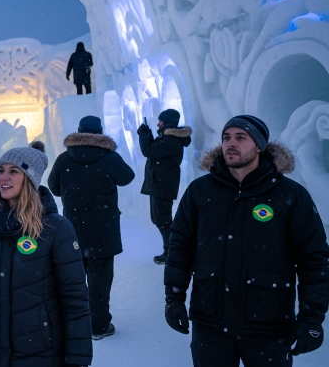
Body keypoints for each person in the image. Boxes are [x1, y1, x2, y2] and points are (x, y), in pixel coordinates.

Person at [164, 115, 329, 366]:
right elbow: (180, 246)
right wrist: (174, 297)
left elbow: (314, 259)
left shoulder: (289, 195)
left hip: (268, 324)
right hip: (210, 322)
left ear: (259, 146)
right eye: (226, 138)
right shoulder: (200, 191)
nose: (231, 143)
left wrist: (312, 318)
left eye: (241, 138)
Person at [0, 147, 92, 367]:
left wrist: (78, 358)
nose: (4, 177)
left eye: (14, 171)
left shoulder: (55, 228)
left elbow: (74, 299)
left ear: (30, 178)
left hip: (40, 352)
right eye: (1, 171)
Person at [48, 116, 135, 340]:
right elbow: (127, 177)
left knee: (74, 279)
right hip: (103, 230)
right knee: (101, 280)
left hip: (73, 228)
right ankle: (99, 326)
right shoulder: (110, 157)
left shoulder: (64, 159)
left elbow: (54, 188)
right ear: (101, 132)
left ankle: (76, 323)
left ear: (78, 132)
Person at [137, 109, 191, 264]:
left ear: (167, 123)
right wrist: (147, 134)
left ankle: (173, 252)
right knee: (158, 219)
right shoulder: (168, 138)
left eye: (160, 121)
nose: (157, 123)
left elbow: (149, 150)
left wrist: (144, 135)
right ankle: (171, 250)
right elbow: (155, 148)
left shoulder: (172, 140)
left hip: (163, 185)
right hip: (159, 184)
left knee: (163, 220)